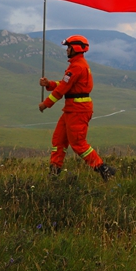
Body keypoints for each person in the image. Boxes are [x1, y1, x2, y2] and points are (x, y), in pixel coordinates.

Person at [38, 35, 115, 181]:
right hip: (71, 110)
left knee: (78, 144)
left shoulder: (77, 66)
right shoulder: (76, 65)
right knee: (58, 141)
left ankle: (103, 169)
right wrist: (49, 84)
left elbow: (61, 90)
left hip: (78, 110)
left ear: (76, 48)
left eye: (69, 47)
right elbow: (65, 84)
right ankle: (54, 173)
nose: (67, 50)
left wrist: (45, 104)